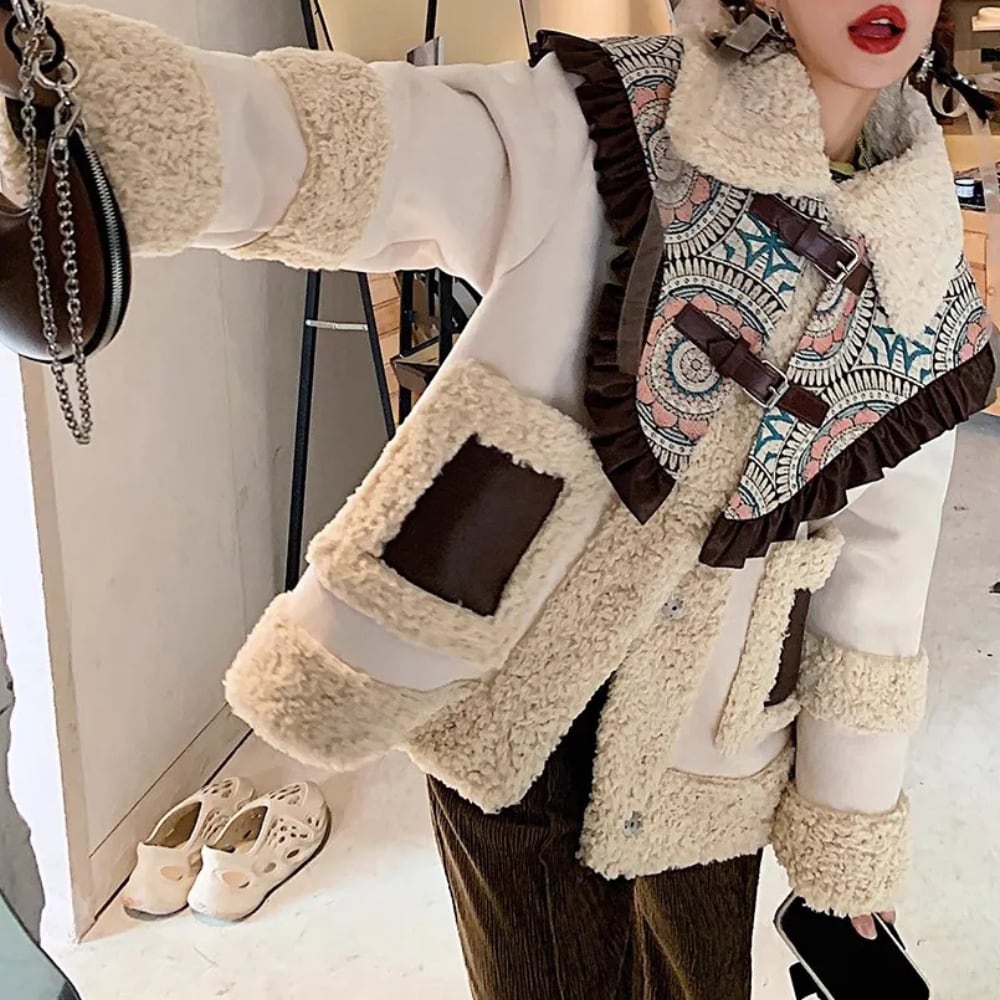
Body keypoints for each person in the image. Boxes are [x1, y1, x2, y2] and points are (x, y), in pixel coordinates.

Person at [1, 1, 997, 997]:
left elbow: (876, 598)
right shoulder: (617, 118)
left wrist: (846, 842)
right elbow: (348, 146)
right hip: (511, 712)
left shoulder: (928, 289)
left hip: (711, 752)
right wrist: (57, 82)